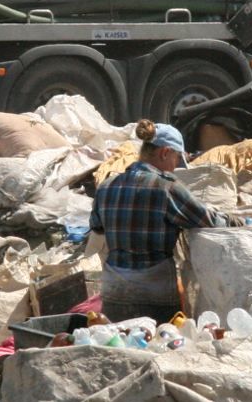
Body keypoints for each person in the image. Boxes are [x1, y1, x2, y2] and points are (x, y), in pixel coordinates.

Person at [89, 119, 233, 323]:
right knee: (159, 345)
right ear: (165, 152)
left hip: (115, 292)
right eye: (176, 159)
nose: (175, 167)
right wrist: (237, 221)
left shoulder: (106, 186)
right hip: (154, 294)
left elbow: (97, 227)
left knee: (121, 344)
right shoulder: (167, 188)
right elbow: (209, 221)